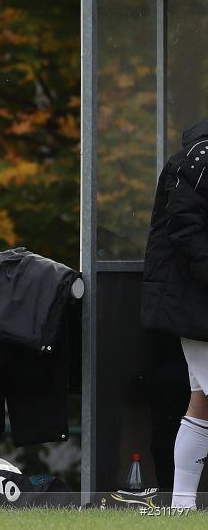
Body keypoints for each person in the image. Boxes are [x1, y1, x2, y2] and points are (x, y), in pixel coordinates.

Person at [142, 117, 208, 509]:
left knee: (201, 403)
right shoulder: (197, 161)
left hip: (195, 302)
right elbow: (186, 231)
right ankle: (181, 504)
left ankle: (182, 505)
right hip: (196, 305)